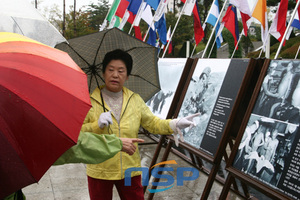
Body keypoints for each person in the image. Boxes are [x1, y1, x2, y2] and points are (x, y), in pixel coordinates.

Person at [81, 49, 200, 200]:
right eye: (110, 70)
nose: (115, 75)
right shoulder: (89, 101)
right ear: (103, 72)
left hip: (130, 167)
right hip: (100, 168)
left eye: (121, 71)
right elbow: (80, 133)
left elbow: (152, 123)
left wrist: (174, 124)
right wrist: (97, 125)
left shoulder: (134, 100)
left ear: (128, 76)